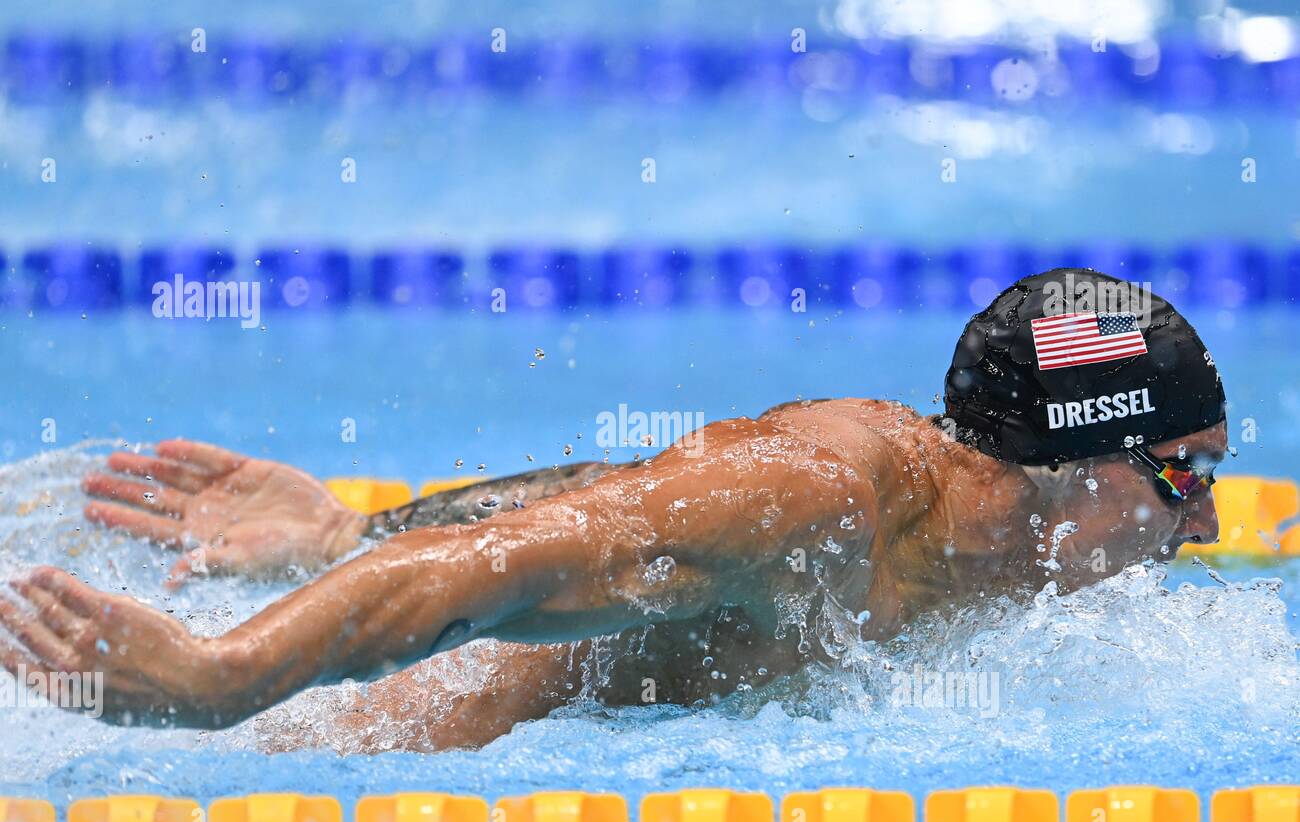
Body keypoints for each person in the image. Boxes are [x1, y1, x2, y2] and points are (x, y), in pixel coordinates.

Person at [0, 269, 1227, 752]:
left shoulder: (1003, 554)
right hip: (341, 759)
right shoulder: (820, 500)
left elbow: (616, 512)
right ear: (1079, 461)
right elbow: (503, 569)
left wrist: (346, 535)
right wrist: (220, 677)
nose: (1208, 526)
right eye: (1184, 475)